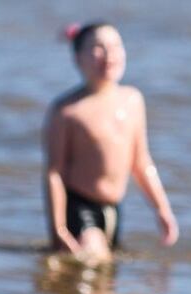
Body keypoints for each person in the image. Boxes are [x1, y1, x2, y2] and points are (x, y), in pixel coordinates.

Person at [43, 21, 179, 263]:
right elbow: (54, 174)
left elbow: (141, 161)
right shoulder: (67, 111)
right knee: (92, 263)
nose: (109, 55)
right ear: (77, 57)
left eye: (116, 46)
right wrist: (59, 229)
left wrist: (162, 209)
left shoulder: (132, 100)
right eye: (98, 47)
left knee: (108, 286)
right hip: (79, 207)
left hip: (114, 209)